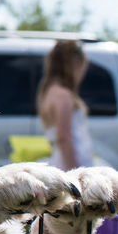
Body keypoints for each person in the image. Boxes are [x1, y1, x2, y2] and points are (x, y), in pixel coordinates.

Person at [36, 40, 92, 170]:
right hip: (71, 165)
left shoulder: (49, 91)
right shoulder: (63, 95)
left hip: (65, 162)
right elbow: (63, 138)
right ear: (75, 64)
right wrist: (75, 175)